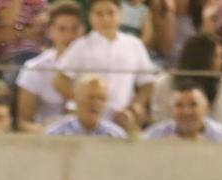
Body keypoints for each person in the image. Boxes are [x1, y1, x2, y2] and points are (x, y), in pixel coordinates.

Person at [54, 0, 158, 131]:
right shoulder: (81, 46)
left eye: (111, 13)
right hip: (88, 120)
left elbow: (147, 83)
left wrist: (136, 106)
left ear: (121, 15)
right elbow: (60, 80)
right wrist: (83, 103)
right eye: (99, 14)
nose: (105, 18)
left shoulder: (134, 45)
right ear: (90, 17)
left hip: (121, 116)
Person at [15, 1, 83, 132]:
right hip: (46, 136)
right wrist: (51, 131)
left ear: (82, 30)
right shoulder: (34, 68)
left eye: (74, 29)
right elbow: (24, 122)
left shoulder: (95, 64)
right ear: (50, 32)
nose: (69, 36)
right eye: (62, 29)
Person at [149, 32, 222, 125]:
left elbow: (220, 122)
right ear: (201, 58)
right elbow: (161, 121)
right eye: (217, 56)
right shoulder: (164, 82)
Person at [143, 80, 222, 140]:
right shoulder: (154, 136)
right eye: (179, 105)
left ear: (207, 109)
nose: (186, 111)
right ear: (171, 110)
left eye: (193, 105)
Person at [44, 73, 129, 137]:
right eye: (91, 97)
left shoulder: (116, 136)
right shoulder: (56, 134)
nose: (96, 103)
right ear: (76, 98)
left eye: (101, 98)